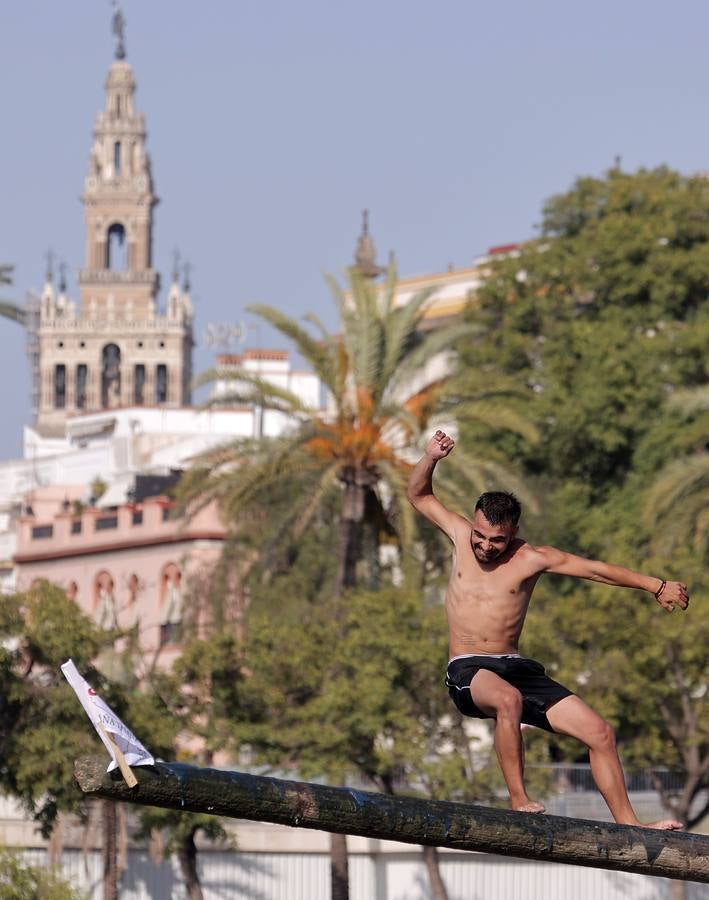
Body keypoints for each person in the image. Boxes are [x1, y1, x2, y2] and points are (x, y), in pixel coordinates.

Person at [407, 430, 689, 830]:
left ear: (514, 533)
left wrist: (655, 585)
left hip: (516, 666)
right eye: (481, 536)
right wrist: (430, 459)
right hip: (469, 669)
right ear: (473, 524)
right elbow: (419, 495)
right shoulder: (457, 532)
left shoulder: (533, 559)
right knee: (507, 700)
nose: (485, 547)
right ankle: (519, 799)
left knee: (600, 732)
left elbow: (595, 570)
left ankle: (632, 825)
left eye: (497, 541)